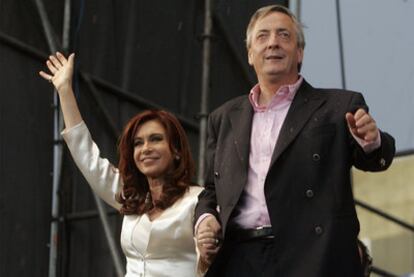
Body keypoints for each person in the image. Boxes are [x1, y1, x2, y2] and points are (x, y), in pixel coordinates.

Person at [194, 4, 395, 277]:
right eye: (262, 36)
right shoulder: (224, 117)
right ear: (250, 54)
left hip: (312, 256)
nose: (273, 42)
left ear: (299, 52)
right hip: (239, 259)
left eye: (284, 35)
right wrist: (206, 219)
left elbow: (375, 159)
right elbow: (210, 191)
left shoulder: (338, 106)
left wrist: (372, 141)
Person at [39, 53, 203, 276]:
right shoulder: (131, 197)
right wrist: (65, 91)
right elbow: (87, 156)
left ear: (176, 150)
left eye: (156, 139)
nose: (145, 148)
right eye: (138, 143)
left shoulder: (198, 200)